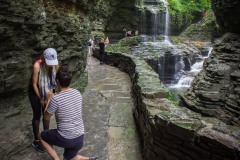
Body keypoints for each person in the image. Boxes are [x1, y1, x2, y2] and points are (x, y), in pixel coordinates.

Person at [39, 66, 98, 160]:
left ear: (57, 81)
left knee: (41, 135)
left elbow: (46, 117)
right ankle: (90, 159)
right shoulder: (77, 93)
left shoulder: (56, 99)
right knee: (69, 158)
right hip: (80, 137)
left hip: (66, 138)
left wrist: (49, 99)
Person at [28, 48, 59, 152]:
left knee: (46, 113)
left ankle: (46, 137)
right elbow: (34, 84)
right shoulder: (37, 66)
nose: (51, 65)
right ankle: (37, 140)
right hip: (35, 91)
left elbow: (53, 82)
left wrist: (50, 96)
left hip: (47, 91)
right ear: (44, 59)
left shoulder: (54, 66)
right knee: (37, 115)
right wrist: (41, 99)